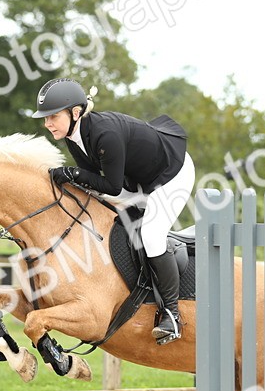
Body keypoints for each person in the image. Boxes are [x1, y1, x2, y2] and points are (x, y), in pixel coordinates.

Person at [32, 77, 194, 345]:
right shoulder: (73, 136)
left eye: (52, 117)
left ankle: (172, 315)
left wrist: (70, 173)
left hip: (171, 174)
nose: (47, 123)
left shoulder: (104, 134)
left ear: (75, 113)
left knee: (152, 235)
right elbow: (94, 183)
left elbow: (112, 187)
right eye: (45, 118)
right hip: (138, 178)